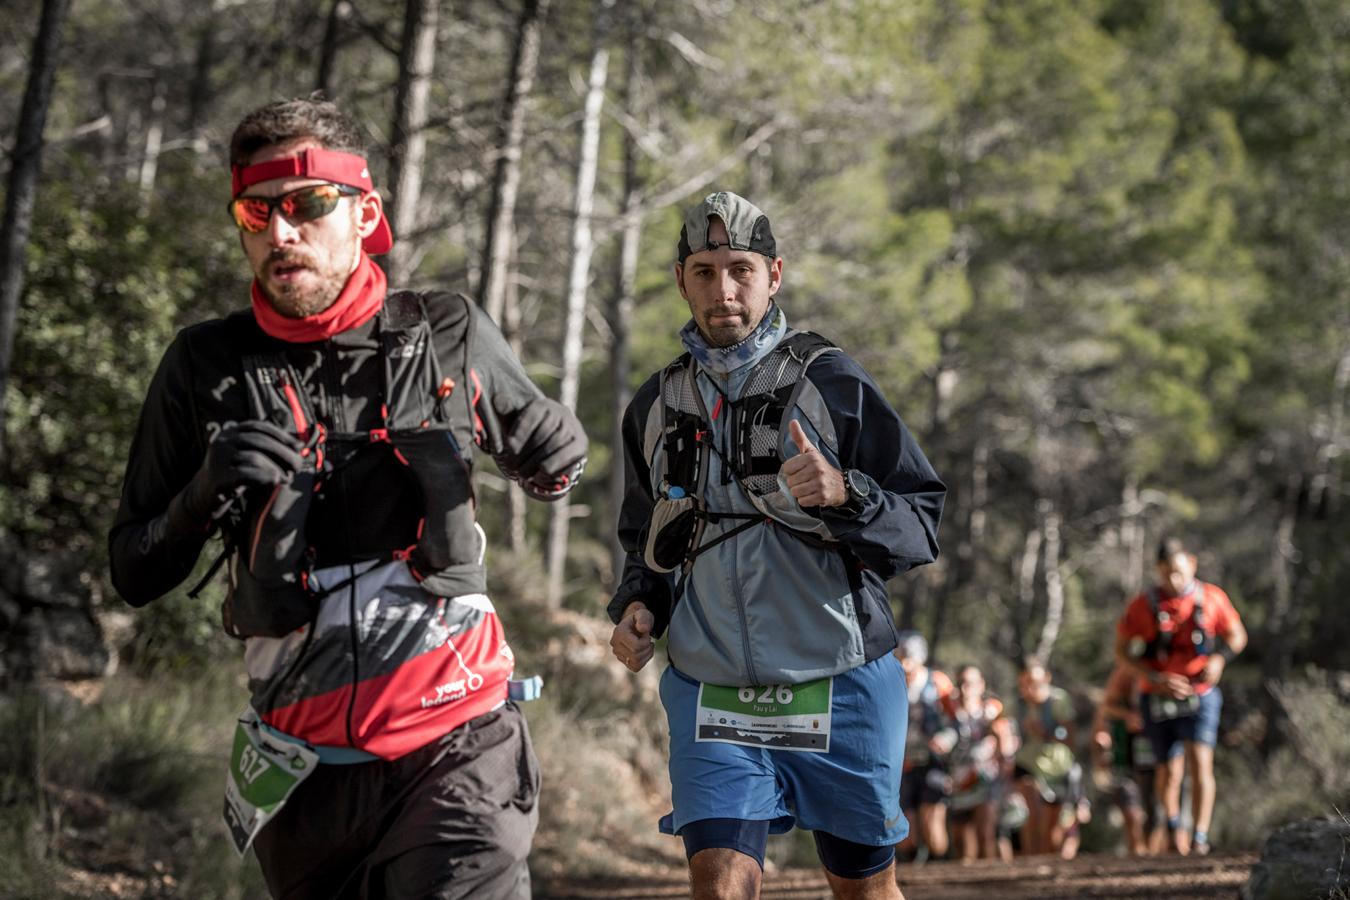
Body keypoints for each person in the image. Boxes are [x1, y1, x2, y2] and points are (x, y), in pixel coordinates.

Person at [108, 96, 587, 899]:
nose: (279, 232)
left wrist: (557, 458)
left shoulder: (448, 330)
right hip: (304, 781)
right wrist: (200, 496)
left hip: (458, 744)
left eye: (306, 206)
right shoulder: (204, 365)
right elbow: (133, 571)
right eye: (255, 212)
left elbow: (549, 467)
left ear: (364, 212)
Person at [607, 191, 945, 900]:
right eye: (703, 271)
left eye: (740, 269)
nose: (722, 290)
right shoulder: (655, 403)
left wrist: (846, 494)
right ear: (680, 280)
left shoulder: (832, 381)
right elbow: (646, 540)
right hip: (713, 685)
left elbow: (920, 525)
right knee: (719, 884)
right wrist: (640, 604)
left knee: (863, 891)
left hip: (841, 680)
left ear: (775, 274)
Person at [1114, 536, 1247, 856]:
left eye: (1178, 571)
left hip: (1201, 695)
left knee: (1201, 762)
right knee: (1168, 770)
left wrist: (1219, 660)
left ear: (1192, 564)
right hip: (1156, 697)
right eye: (1165, 573)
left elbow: (1237, 636)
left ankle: (1199, 836)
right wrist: (1152, 678)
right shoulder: (1143, 605)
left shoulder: (1212, 598)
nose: (1173, 580)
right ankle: (1174, 826)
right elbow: (1120, 651)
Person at [933, 664, 1017, 862]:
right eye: (961, 683)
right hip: (958, 783)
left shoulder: (991, 712)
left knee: (986, 833)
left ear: (981, 685)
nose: (965, 689)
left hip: (987, 778)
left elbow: (1004, 737)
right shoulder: (948, 715)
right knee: (963, 845)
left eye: (970, 683)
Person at [1012, 658, 1088, 858]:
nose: (1030, 688)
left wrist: (1045, 733)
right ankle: (1030, 859)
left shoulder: (1058, 701)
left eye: (1036, 683)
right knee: (1032, 814)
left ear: (1047, 678)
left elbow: (1070, 738)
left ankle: (1045, 862)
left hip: (1057, 769)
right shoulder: (1016, 705)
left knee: (1053, 825)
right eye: (1025, 683)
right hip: (1026, 765)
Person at [893, 632, 957, 863]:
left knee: (933, 828)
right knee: (905, 832)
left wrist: (945, 739)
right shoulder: (892, 682)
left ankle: (940, 872)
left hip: (932, 762)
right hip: (902, 763)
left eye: (908, 657)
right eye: (900, 656)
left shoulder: (937, 682)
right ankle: (911, 877)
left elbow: (955, 722)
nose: (904, 663)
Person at [1091, 663, 1164, 856]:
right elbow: (1104, 712)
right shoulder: (1125, 676)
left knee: (1155, 807)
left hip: (1155, 754)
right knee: (1130, 804)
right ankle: (1137, 852)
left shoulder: (1163, 673)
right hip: (1124, 755)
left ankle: (1152, 853)